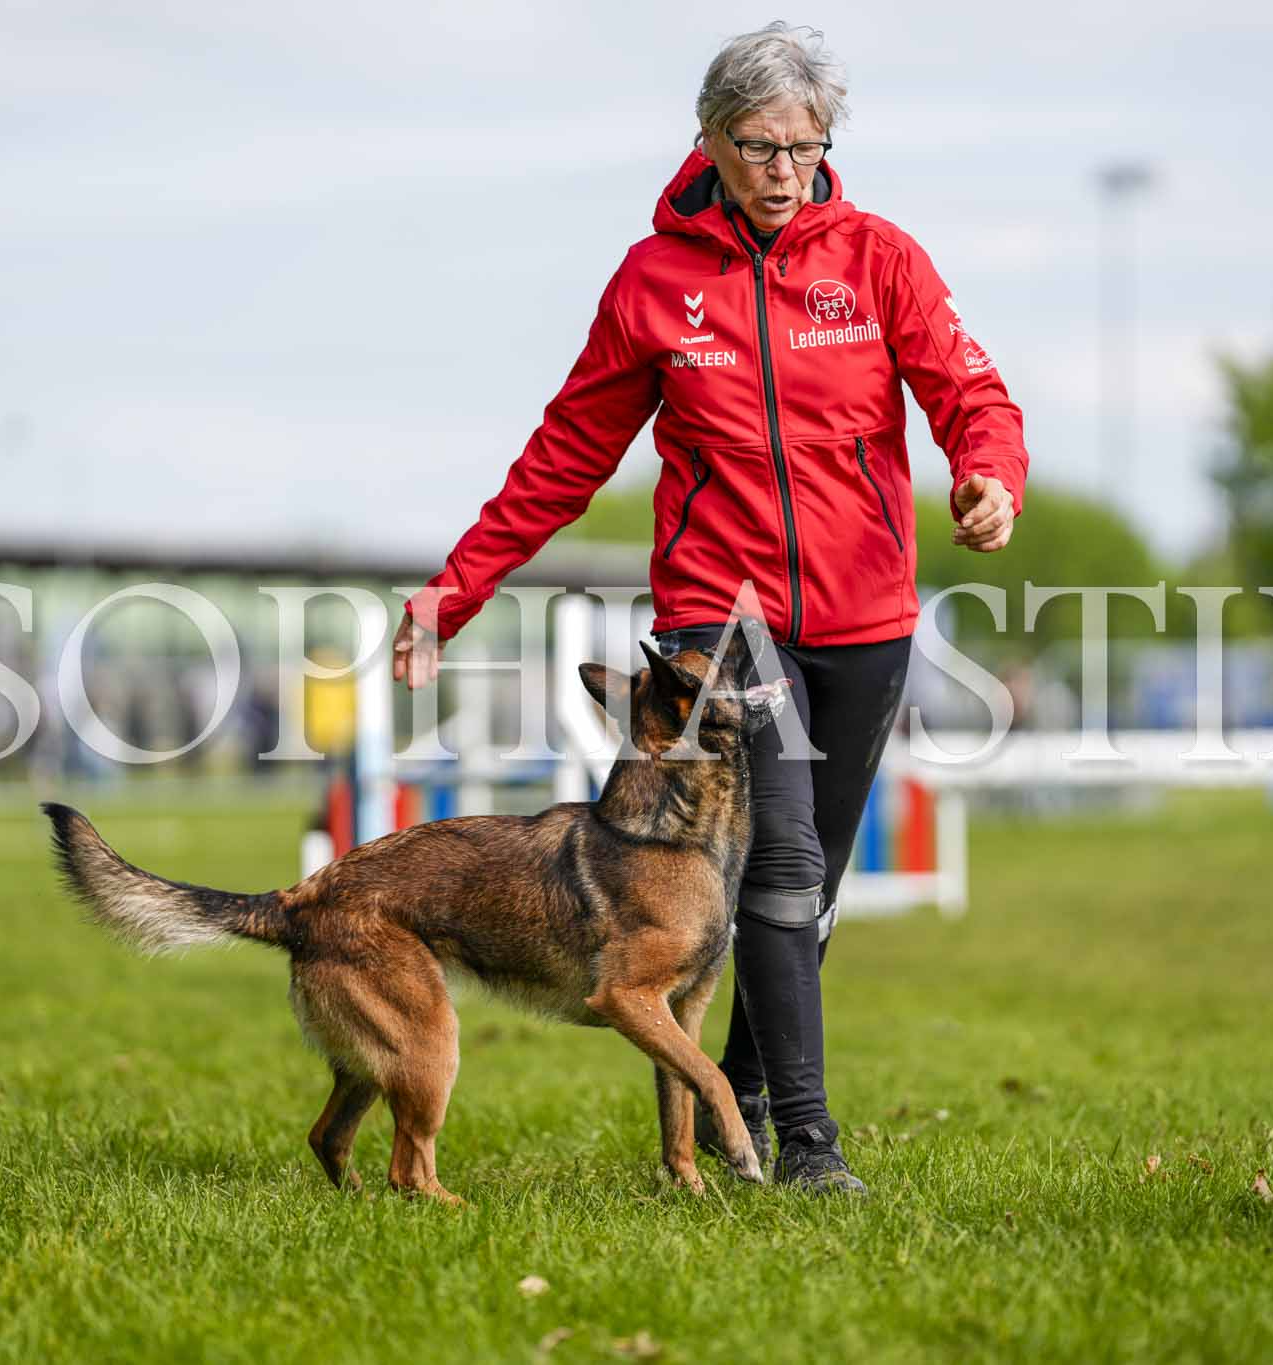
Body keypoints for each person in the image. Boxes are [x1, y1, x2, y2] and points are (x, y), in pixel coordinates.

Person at [390, 22, 1029, 1193]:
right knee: (780, 861)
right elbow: (566, 451)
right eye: (757, 146)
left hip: (866, 617)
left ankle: (737, 1101)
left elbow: (969, 391)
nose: (783, 171)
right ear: (709, 141)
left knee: (803, 894)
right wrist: (455, 589)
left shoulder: (879, 258)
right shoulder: (653, 282)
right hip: (717, 621)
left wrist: (988, 474)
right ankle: (806, 1149)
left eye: (804, 146)